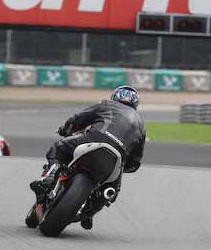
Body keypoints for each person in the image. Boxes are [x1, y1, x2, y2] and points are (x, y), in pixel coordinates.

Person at [30, 85, 146, 230]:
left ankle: (49, 177)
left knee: (59, 147)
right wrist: (125, 166)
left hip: (94, 139)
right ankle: (89, 213)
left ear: (115, 96)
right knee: (111, 191)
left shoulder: (107, 104)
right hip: (116, 159)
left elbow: (80, 118)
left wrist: (66, 129)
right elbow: (135, 161)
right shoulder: (141, 124)